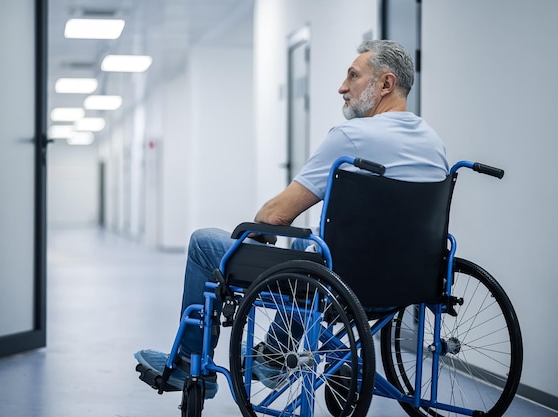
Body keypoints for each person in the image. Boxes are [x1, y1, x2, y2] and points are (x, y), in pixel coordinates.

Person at [134, 39, 449, 398]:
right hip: (411, 283)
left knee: (205, 242)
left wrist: (255, 236)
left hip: (344, 283)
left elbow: (277, 214)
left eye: (353, 76)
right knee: (306, 242)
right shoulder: (433, 142)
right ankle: (273, 355)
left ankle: (191, 363)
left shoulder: (350, 136)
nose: (342, 87)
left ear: (386, 84)